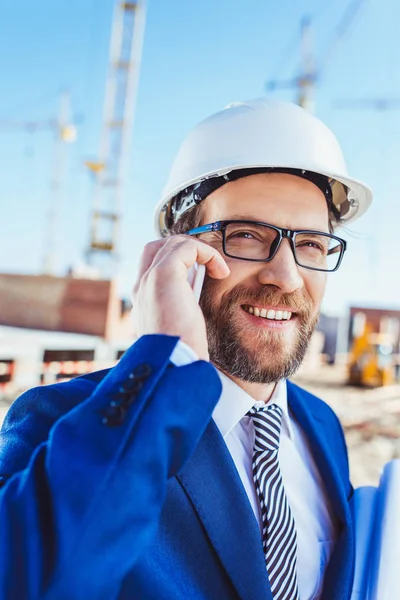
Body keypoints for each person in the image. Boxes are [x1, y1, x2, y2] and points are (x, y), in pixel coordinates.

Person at [0, 99, 372, 600]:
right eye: (245, 235)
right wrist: (166, 361)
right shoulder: (65, 419)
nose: (285, 277)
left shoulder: (322, 425)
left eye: (310, 245)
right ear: (180, 254)